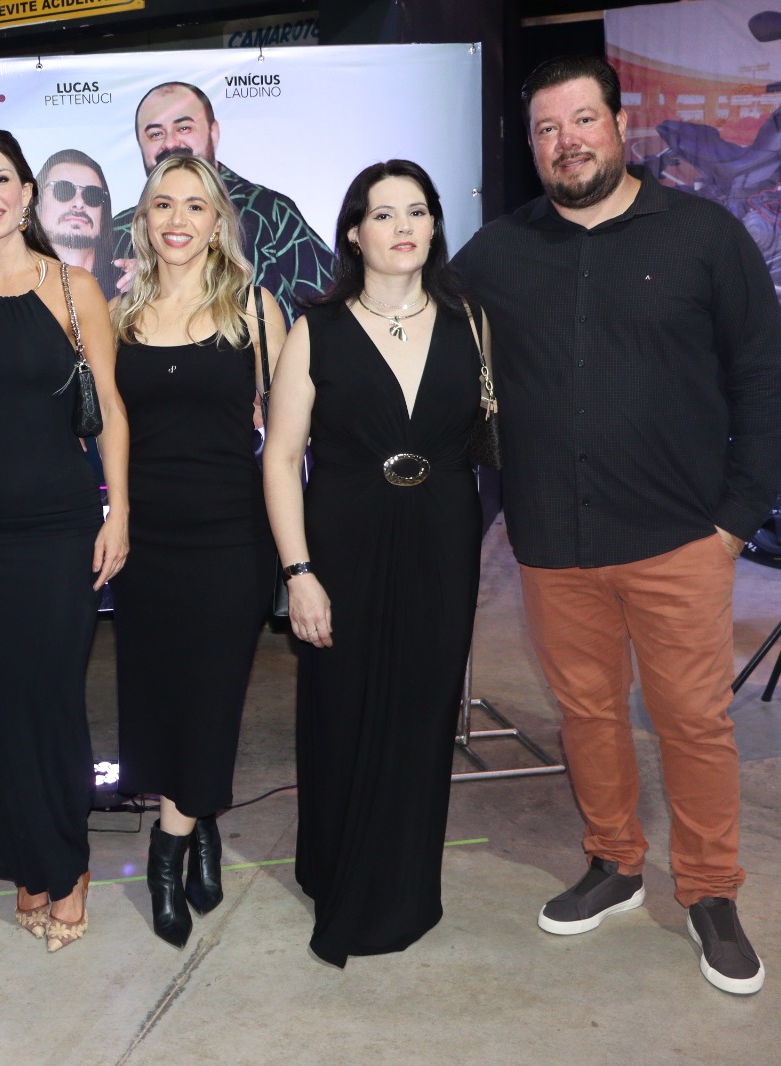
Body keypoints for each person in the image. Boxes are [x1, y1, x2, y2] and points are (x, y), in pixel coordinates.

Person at [452, 56, 781, 995]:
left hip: (681, 540)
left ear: (619, 124)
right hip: (553, 543)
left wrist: (735, 522)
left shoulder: (703, 236)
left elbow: (762, 382)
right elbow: (418, 334)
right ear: (532, 147)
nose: (566, 142)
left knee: (693, 722)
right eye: (547, 129)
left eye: (581, 120)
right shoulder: (497, 253)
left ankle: (710, 892)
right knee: (588, 717)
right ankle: (614, 863)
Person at [263, 160, 484, 968]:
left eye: (416, 211)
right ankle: (335, 873)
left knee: (423, 715)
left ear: (434, 226)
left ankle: (405, 888)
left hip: (442, 543)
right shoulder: (315, 328)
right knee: (342, 713)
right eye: (383, 213)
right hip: (342, 548)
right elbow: (280, 458)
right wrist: (299, 574)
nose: (402, 227)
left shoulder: (470, 322)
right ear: (354, 233)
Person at [0, 124, 129, 953]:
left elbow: (111, 408)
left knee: (53, 699)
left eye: (0, 179)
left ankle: (67, 863)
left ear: (28, 191)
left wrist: (120, 512)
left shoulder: (74, 287)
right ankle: (24, 860)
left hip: (60, 526)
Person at [110, 154, 285, 947]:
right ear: (144, 221)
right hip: (145, 541)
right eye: (162, 205)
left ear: (218, 223)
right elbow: (107, 430)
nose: (177, 219)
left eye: (194, 206)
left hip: (230, 538)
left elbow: (291, 430)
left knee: (213, 694)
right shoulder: (118, 315)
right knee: (159, 695)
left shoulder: (254, 308)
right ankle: (202, 821)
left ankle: (167, 849)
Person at [110, 81, 334, 322]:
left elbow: (329, 311)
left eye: (184, 128)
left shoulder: (270, 210)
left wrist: (157, 274)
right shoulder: (119, 228)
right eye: (155, 133)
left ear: (213, 132)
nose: (171, 143)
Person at [35, 148, 121, 299]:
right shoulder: (12, 283)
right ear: (38, 202)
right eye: (63, 190)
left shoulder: (127, 285)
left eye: (92, 195)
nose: (79, 203)